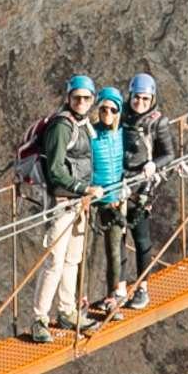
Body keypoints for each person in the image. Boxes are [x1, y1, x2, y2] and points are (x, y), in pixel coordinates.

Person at [11, 75, 98, 343]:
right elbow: (56, 170)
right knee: (54, 261)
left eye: (86, 98)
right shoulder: (63, 126)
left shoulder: (83, 125)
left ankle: (67, 310)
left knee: (72, 260)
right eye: (76, 98)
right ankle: (39, 318)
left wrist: (84, 193)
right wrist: (83, 189)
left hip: (78, 201)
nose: (81, 102)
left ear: (91, 99)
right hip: (62, 201)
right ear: (68, 98)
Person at [105, 73, 176, 313]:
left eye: (145, 99)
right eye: (137, 97)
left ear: (152, 97)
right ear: (131, 95)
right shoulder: (120, 114)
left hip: (141, 185)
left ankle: (143, 287)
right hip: (118, 182)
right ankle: (120, 289)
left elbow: (169, 154)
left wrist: (154, 165)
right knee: (118, 238)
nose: (140, 103)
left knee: (141, 237)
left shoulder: (158, 122)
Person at [82, 88, 132, 314]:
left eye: (113, 109)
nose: (107, 113)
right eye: (103, 108)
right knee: (84, 254)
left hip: (114, 200)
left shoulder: (123, 132)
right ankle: (80, 300)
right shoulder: (90, 133)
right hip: (92, 199)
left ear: (119, 111)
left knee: (113, 251)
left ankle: (112, 297)